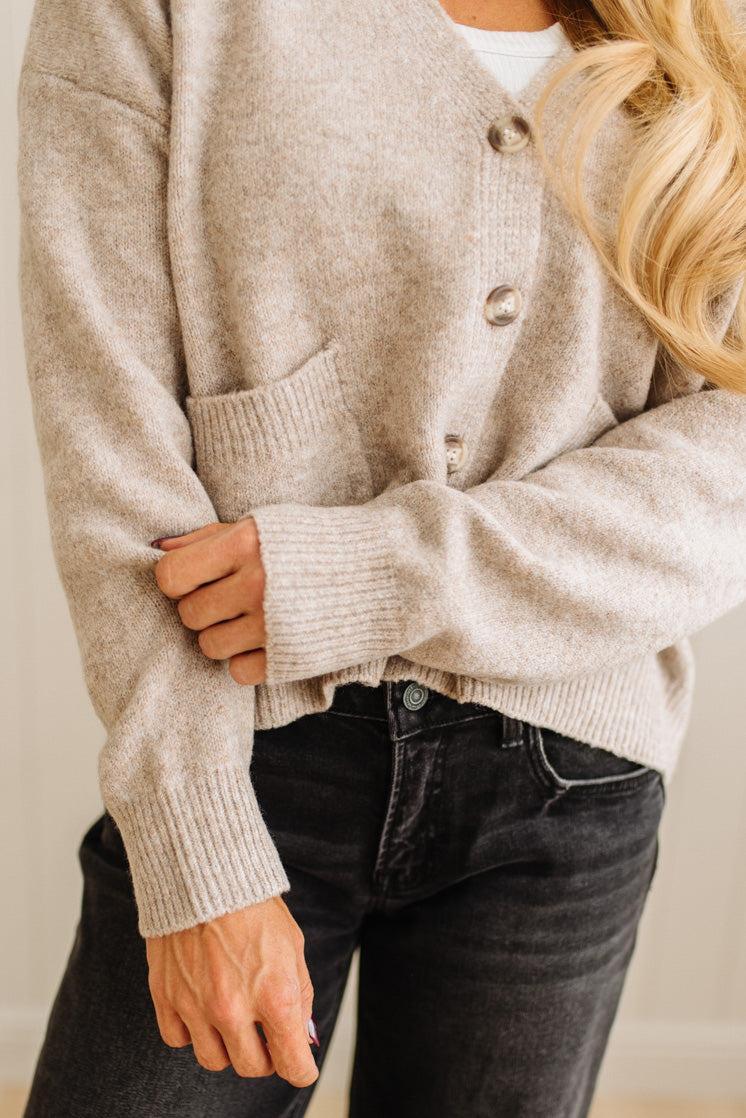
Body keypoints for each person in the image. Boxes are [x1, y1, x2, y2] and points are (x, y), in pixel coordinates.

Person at [15, 0, 746, 1114]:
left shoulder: (709, 43)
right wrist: (193, 840)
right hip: (238, 744)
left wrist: (380, 570)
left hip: (566, 772)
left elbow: (727, 465)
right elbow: (107, 442)